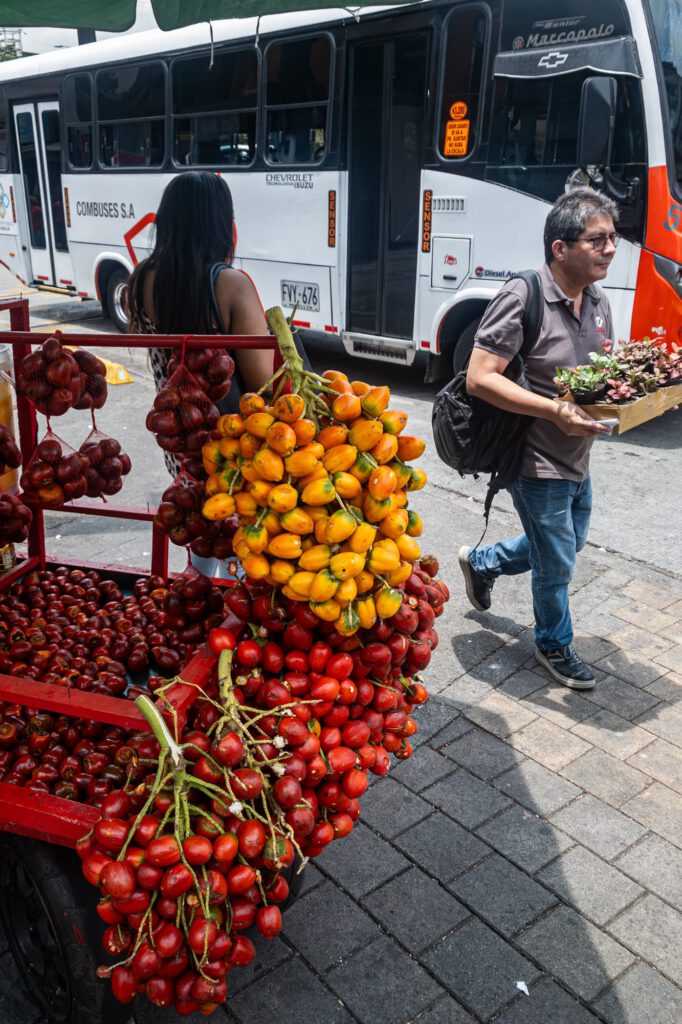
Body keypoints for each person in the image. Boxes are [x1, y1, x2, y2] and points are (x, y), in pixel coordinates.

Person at [458, 187, 618, 690]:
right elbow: (479, 376)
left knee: (566, 546)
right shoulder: (523, 295)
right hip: (535, 459)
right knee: (558, 564)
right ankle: (553, 643)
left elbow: (594, 376)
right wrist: (555, 411)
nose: (610, 248)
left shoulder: (598, 299)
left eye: (613, 238)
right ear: (560, 248)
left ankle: (482, 561)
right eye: (598, 240)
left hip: (578, 454)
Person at [127, 170, 273, 575]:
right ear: (221, 224)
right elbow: (263, 383)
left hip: (179, 443)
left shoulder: (141, 281)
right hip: (231, 449)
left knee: (201, 529)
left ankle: (203, 592)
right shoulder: (230, 284)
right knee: (245, 550)